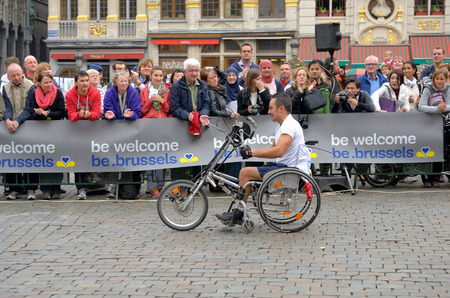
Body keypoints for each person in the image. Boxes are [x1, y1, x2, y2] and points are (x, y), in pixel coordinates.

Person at [215, 92, 311, 225]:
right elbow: (271, 149)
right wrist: (251, 151)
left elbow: (279, 151)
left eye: (271, 108)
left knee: (245, 173)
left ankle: (239, 212)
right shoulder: (282, 126)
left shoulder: (289, 126)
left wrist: (252, 152)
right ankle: (239, 209)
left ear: (281, 108)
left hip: (287, 170)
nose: (268, 111)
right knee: (247, 173)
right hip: (282, 166)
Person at [12, 72, 66, 199]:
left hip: (55, 131)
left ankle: (56, 188)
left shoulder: (57, 93)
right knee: (44, 160)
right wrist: (39, 114)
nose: (49, 85)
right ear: (39, 84)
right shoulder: (34, 93)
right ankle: (46, 189)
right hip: (39, 132)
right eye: (46, 82)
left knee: (56, 160)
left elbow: (61, 112)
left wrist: (46, 113)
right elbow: (30, 112)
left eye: (50, 82)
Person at [2, 63, 37, 200]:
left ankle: (31, 189)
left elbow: (29, 108)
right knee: (12, 158)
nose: (17, 78)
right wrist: (8, 120)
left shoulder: (31, 86)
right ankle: (14, 188)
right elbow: (8, 107)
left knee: (30, 158)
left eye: (18, 74)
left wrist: (17, 121)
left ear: (22, 72)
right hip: (13, 126)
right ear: (8, 76)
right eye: (13, 76)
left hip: (28, 124)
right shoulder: (5, 88)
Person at [65, 70, 102, 199]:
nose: (85, 83)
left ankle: (98, 184)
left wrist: (89, 115)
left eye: (86, 80)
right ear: (76, 82)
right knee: (78, 160)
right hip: (77, 132)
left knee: (93, 157)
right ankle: (80, 188)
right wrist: (78, 115)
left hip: (93, 131)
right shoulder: (70, 95)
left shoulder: (95, 93)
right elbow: (70, 115)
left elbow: (97, 113)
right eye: (82, 81)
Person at [140, 66, 172, 197]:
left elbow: (169, 110)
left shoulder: (167, 90)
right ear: (151, 76)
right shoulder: (144, 91)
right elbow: (141, 110)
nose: (158, 78)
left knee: (161, 157)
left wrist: (162, 101)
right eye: (156, 75)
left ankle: (160, 185)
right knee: (150, 156)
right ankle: (152, 186)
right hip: (149, 125)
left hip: (162, 125)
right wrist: (150, 101)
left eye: (160, 76)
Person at [418, 69, 450, 188]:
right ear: (433, 79)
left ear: (446, 79)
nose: (439, 81)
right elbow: (421, 106)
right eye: (437, 79)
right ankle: (426, 177)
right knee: (425, 150)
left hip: (443, 124)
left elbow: (449, 105)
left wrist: (444, 107)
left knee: (439, 151)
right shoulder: (428, 88)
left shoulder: (448, 88)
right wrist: (437, 109)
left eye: (442, 79)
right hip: (427, 123)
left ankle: (436, 177)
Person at [170, 58, 210, 130]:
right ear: (185, 71)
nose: (194, 74)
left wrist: (203, 114)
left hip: (200, 122)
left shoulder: (203, 85)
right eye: (191, 71)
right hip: (181, 124)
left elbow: (206, 103)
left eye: (196, 71)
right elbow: (174, 107)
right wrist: (187, 115)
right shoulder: (176, 86)